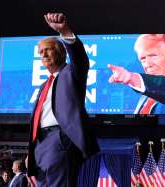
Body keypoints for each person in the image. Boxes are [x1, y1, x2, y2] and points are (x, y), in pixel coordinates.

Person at [27, 13, 99, 187]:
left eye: (48, 50)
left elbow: (80, 58)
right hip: (40, 144)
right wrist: (32, 151)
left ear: (60, 52)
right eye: (40, 52)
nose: (43, 55)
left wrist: (65, 31)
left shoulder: (71, 73)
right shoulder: (44, 85)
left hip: (59, 139)